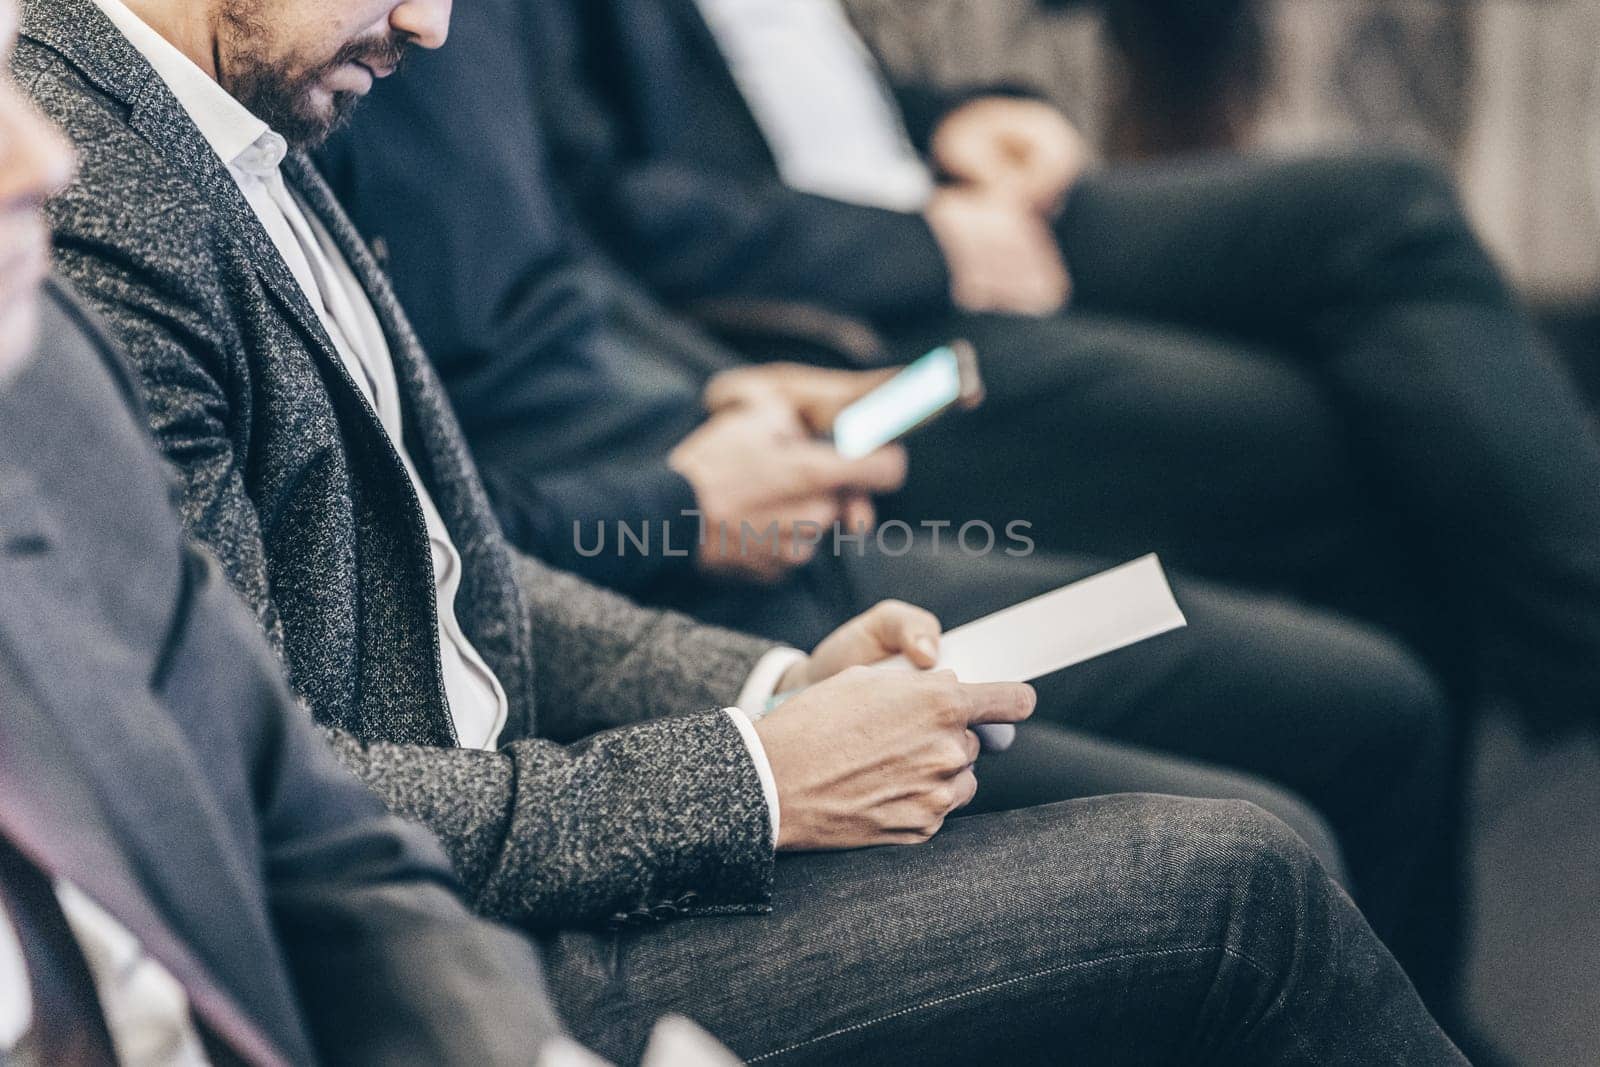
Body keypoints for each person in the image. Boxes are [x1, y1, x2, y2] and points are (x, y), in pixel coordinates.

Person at [17, 0, 1470, 1061]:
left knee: (1279, 821)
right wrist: (755, 774)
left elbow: (453, 567)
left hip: (547, 816)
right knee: (1242, 889)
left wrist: (771, 690)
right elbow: (273, 800)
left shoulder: (245, 115)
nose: (434, 26)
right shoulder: (91, 201)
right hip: (476, 956)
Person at [530, 0, 1600, 739]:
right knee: (1358, 436)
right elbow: (600, 214)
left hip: (922, 197)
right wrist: (932, 246)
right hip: (836, 304)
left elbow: (778, 82)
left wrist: (965, 115)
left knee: (1382, 206)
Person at [0, 27, 596, 1059]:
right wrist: (754, 771)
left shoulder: (41, 373)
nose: (41, 157)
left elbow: (295, 813)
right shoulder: (94, 227)